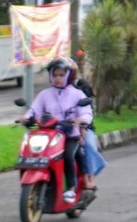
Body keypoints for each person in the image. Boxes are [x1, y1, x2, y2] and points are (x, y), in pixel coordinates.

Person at [22, 57, 95, 202]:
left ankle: (71, 188)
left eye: (61, 75)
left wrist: (80, 120)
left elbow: (86, 113)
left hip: (69, 136)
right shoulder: (45, 94)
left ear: (69, 76)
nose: (58, 78)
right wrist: (26, 117)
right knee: (34, 154)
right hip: (48, 135)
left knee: (68, 156)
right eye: (55, 75)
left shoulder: (77, 94)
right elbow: (34, 110)